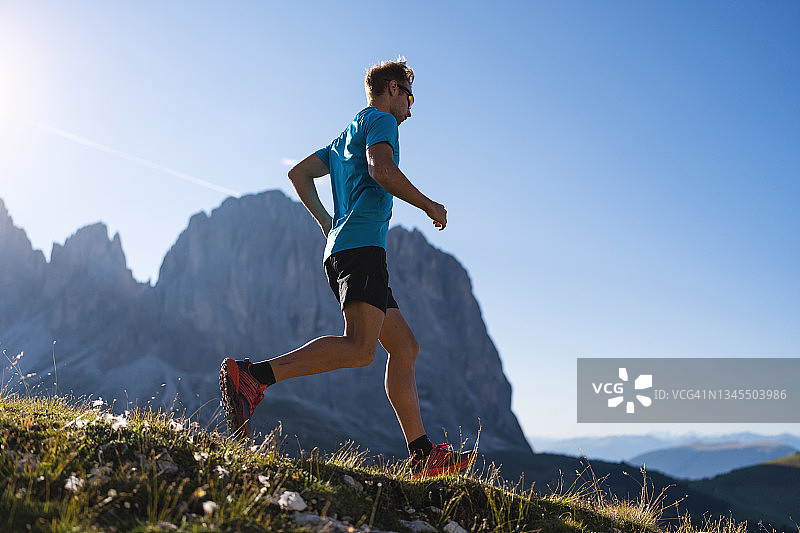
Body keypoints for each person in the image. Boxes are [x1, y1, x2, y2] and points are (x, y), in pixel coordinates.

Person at [220, 58, 474, 479]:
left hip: (349, 248)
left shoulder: (343, 138)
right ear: (393, 89)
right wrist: (429, 204)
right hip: (361, 250)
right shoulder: (381, 121)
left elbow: (298, 173)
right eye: (410, 98)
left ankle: (423, 454)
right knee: (360, 348)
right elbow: (381, 170)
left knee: (405, 347)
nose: (410, 110)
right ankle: (253, 376)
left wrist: (325, 222)